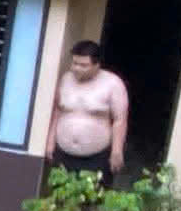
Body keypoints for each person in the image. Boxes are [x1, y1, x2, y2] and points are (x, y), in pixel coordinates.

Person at [47, 40, 129, 186]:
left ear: (97, 65)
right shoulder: (65, 79)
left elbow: (119, 120)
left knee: (92, 202)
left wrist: (117, 150)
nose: (76, 68)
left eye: (83, 65)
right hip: (63, 154)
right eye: (74, 63)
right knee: (61, 201)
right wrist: (50, 142)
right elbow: (58, 111)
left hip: (96, 157)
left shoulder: (113, 83)